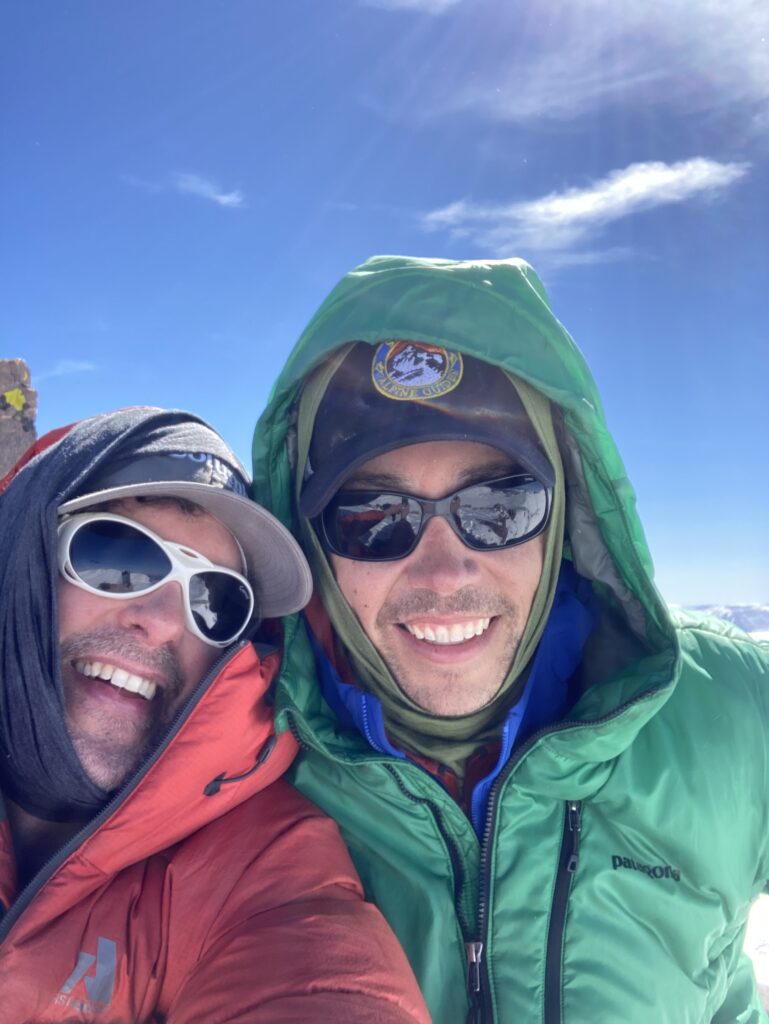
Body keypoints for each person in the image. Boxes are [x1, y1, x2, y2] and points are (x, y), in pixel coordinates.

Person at [252, 255, 769, 1023]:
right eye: (372, 518)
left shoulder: (730, 709)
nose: (442, 569)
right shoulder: (231, 764)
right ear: (311, 544)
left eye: (498, 505)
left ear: (564, 518)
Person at [0, 406, 429, 1023]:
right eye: (118, 554)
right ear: (23, 553)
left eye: (216, 599)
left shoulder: (259, 863)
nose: (165, 622)